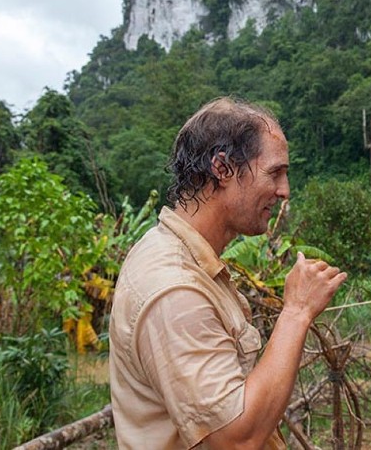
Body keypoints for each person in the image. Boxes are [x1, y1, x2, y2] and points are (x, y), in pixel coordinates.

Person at [109, 96, 347, 449]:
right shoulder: (174, 290)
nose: (285, 191)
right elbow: (236, 439)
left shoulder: (187, 260)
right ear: (221, 168)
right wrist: (296, 312)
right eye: (275, 173)